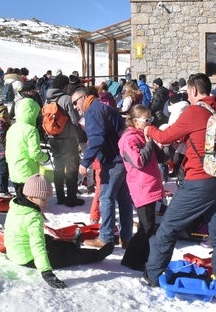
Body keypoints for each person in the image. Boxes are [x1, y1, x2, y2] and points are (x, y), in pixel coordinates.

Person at [141, 73, 216, 298]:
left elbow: (165, 137)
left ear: (192, 90)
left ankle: (152, 274)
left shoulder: (194, 111)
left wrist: (149, 130)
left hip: (200, 182)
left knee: (168, 227)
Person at [4, 174, 114, 289]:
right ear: (31, 197)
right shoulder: (33, 217)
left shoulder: (17, 205)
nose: (46, 202)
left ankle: (71, 245)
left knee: (50, 240)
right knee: (68, 257)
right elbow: (37, 246)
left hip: (15, 252)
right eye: (43, 199)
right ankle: (97, 255)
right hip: (28, 258)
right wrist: (47, 273)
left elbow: (9, 229)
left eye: (47, 198)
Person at [71, 87, 134, 249]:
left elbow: (97, 139)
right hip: (122, 158)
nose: (75, 107)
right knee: (124, 199)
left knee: (106, 198)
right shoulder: (104, 107)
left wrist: (85, 162)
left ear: (84, 98)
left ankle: (106, 237)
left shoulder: (93, 111)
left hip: (112, 160)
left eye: (75, 103)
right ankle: (126, 237)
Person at [119, 105, 166, 271]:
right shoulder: (129, 139)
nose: (149, 123)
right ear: (134, 122)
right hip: (142, 187)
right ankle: (132, 259)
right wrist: (147, 143)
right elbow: (139, 161)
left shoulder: (142, 135)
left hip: (151, 186)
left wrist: (157, 143)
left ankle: (140, 258)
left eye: (150, 119)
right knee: (147, 227)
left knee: (146, 226)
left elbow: (161, 158)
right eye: (146, 120)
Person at [44, 74, 84, 207]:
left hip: (52, 138)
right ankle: (71, 198)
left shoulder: (47, 99)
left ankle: (60, 197)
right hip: (67, 138)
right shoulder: (66, 98)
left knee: (58, 167)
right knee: (72, 167)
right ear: (65, 85)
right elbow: (74, 119)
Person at [5, 98, 50, 199]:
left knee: (20, 199)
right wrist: (45, 157)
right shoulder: (31, 130)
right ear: (32, 113)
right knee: (28, 202)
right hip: (27, 171)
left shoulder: (12, 128)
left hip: (14, 170)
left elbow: (7, 150)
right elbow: (35, 153)